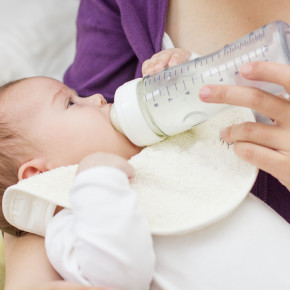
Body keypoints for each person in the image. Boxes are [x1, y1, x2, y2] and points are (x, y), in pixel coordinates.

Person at [4, 0, 290, 289]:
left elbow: (208, 121)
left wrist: (188, 71)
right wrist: (97, 183)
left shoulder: (165, 156)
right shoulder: (70, 226)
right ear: (36, 176)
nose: (99, 98)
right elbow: (118, 276)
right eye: (71, 102)